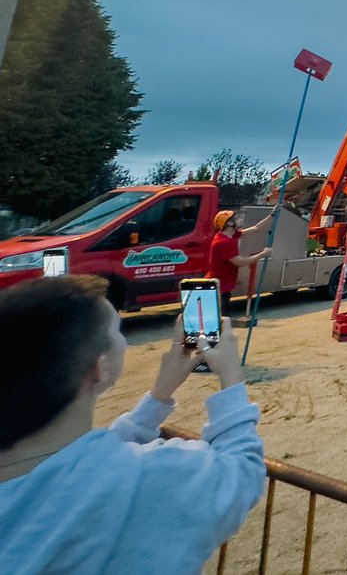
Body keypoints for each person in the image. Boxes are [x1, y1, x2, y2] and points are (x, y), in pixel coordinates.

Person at [0, 276, 265, 574]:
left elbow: (79, 462)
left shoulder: (33, 470)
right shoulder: (154, 478)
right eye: (117, 329)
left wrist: (158, 396)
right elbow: (243, 470)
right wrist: (231, 378)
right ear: (99, 366)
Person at [207, 210, 272, 308]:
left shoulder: (230, 235)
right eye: (237, 218)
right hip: (219, 288)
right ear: (229, 223)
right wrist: (262, 254)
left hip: (221, 285)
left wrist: (272, 215)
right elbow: (240, 262)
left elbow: (256, 228)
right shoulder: (224, 242)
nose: (240, 219)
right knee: (219, 317)